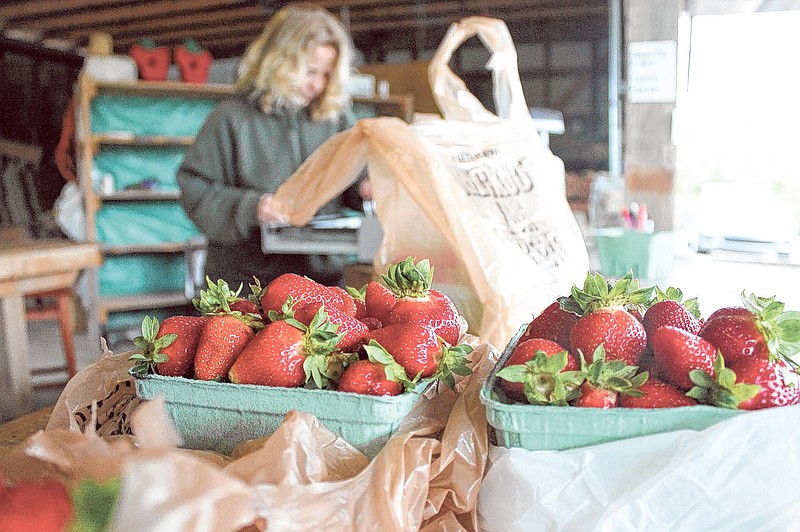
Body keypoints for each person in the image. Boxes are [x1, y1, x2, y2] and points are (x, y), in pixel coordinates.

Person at [176, 3, 363, 291]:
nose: (318, 85)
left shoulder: (335, 119)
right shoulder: (231, 117)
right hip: (246, 285)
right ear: (279, 62)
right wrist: (253, 207)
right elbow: (194, 188)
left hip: (320, 282)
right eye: (310, 71)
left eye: (326, 75)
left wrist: (368, 189)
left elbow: (353, 185)